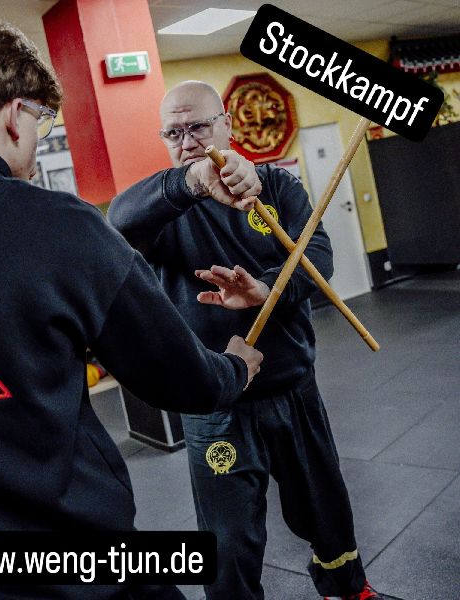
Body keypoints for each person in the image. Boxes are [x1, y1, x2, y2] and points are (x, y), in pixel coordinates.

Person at [0, 27, 264, 600]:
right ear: (14, 115)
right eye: (41, 121)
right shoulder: (59, 225)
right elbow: (183, 381)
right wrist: (234, 367)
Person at [108, 80, 384, 600]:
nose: (187, 140)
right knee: (228, 538)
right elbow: (117, 220)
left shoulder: (275, 186)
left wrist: (266, 290)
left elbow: (318, 256)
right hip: (216, 401)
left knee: (325, 506)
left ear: (227, 125)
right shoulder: (164, 206)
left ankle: (346, 587)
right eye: (173, 132)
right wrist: (190, 182)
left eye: (197, 126)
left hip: (291, 387)